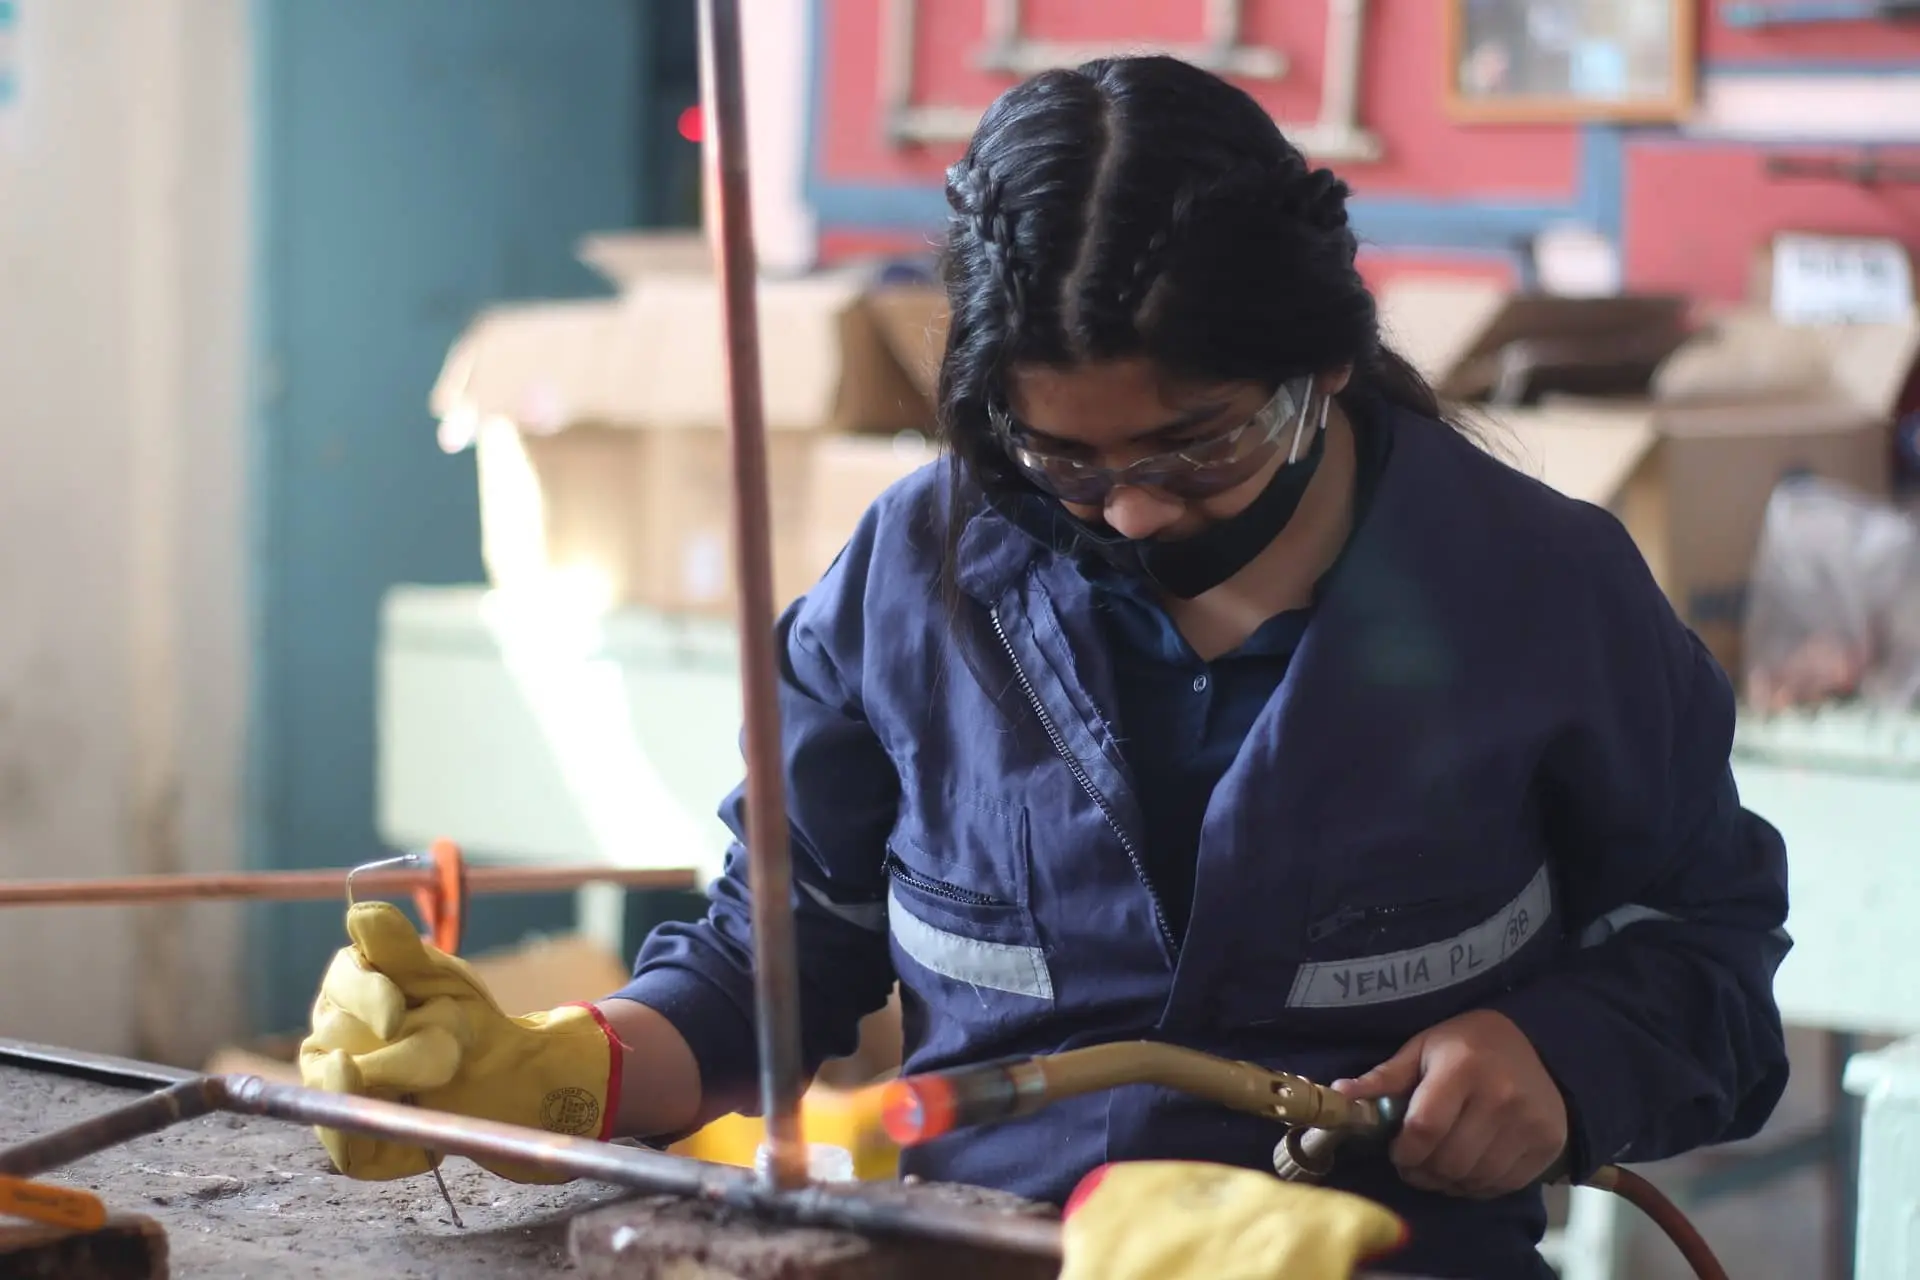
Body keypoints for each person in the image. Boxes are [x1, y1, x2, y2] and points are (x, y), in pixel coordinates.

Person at [300, 55, 1791, 1278]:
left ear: (1322, 361)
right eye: (1063, 458)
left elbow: (1712, 966)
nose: (1135, 510)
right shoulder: (917, 574)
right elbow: (773, 967)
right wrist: (556, 1069)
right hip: (978, 1257)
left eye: (1198, 445)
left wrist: (1563, 1055)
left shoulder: (1539, 593)